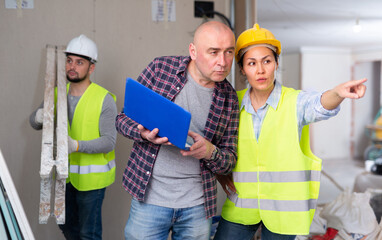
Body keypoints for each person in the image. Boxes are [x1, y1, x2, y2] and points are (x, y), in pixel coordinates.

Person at [213, 24, 367, 240]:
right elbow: (216, 145)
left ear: (276, 63)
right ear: (242, 69)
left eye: (266, 61)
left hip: (283, 210)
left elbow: (319, 105)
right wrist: (221, 175)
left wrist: (337, 93)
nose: (260, 70)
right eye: (251, 63)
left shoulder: (295, 102)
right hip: (241, 206)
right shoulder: (232, 103)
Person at [115, 21, 239, 240]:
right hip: (150, 201)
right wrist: (143, 134)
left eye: (229, 52)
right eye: (214, 52)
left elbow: (230, 160)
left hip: (198, 207)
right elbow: (122, 119)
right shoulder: (160, 69)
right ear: (193, 51)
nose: (223, 62)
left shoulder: (229, 98)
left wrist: (210, 151)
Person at [30, 34, 118, 240]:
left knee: (89, 234)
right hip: (64, 177)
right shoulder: (56, 93)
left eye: (80, 62)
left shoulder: (104, 99)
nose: (72, 66)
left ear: (91, 67)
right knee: (68, 228)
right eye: (69, 60)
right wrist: (38, 117)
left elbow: (109, 141)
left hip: (92, 182)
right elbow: (33, 123)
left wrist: (75, 145)